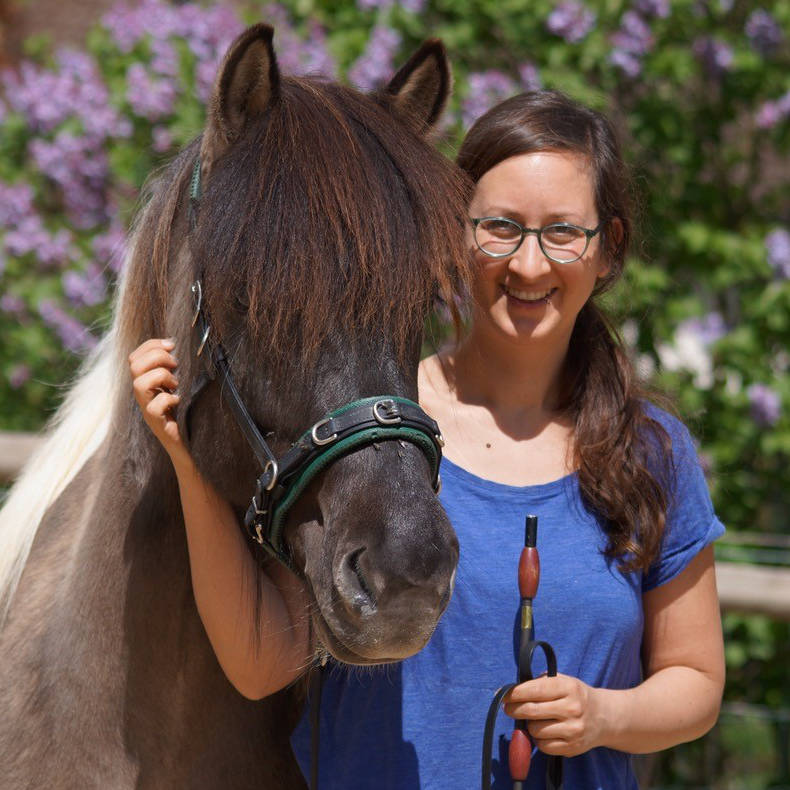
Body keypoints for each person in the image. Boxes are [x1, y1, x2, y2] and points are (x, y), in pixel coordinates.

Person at [130, 90, 725, 789]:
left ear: (607, 250)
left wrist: (605, 716)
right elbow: (261, 659)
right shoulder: (365, 427)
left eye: (563, 232)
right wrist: (184, 451)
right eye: (499, 227)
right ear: (455, 235)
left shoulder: (652, 451)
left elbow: (696, 680)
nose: (529, 265)